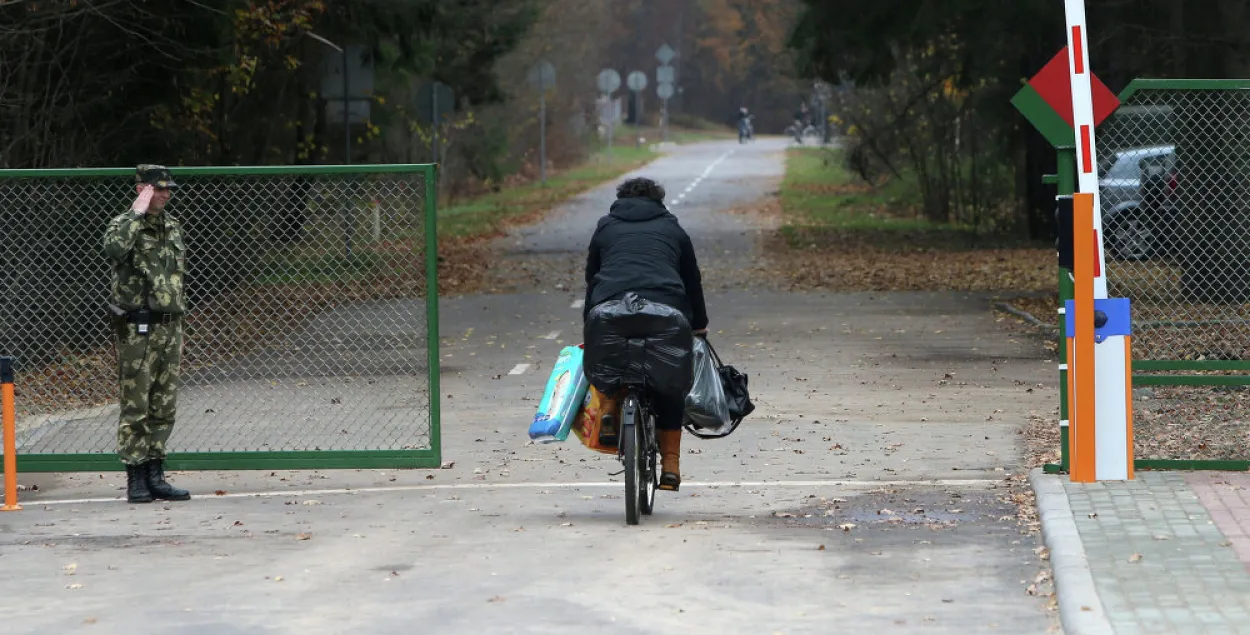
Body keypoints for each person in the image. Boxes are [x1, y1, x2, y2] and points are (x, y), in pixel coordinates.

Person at [583, 177, 709, 490]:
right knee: (670, 383)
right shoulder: (673, 229)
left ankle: (611, 410)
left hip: (610, 311)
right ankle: (671, 464)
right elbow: (691, 281)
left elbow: (593, 279)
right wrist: (700, 325)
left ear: (620, 200)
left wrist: (590, 321)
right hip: (666, 313)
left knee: (608, 363)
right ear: (658, 201)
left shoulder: (605, 227)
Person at [103, 164, 191, 504]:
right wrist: (135, 214)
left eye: (169, 189)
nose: (167, 194)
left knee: (164, 404)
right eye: (159, 189)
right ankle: (136, 477)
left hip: (170, 326)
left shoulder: (172, 227)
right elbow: (113, 249)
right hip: (138, 329)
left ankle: (156, 474)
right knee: (136, 404)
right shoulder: (124, 225)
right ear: (142, 189)